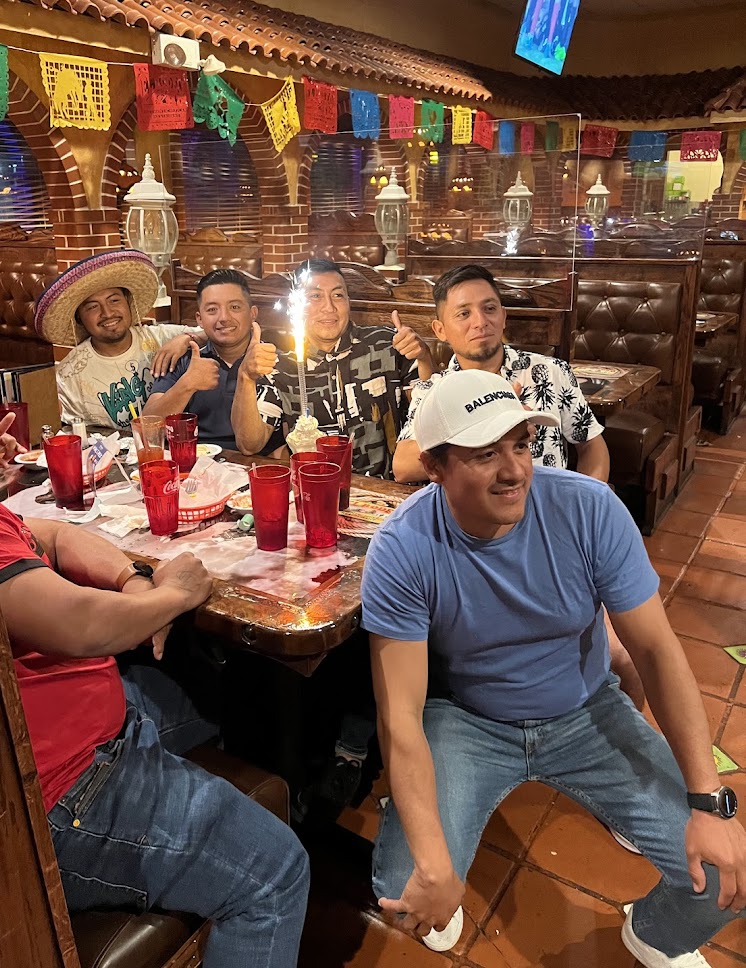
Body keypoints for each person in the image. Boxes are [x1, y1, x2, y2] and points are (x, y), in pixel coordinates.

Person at [362, 370, 746, 966]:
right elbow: (401, 714)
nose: (514, 470)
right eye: (485, 454)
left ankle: (652, 933)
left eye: (521, 444)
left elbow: (657, 652)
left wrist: (707, 800)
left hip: (586, 710)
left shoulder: (587, 508)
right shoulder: (402, 545)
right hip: (468, 718)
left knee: (725, 874)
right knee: (402, 886)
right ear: (435, 467)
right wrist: (433, 861)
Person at [0, 390, 309, 966]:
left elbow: (56, 536)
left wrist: (136, 584)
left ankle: (289, 796)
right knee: (276, 872)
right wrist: (173, 595)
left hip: (87, 725)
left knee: (220, 692)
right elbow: (83, 625)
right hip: (60, 791)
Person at [392, 262, 609, 484]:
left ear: (503, 317)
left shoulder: (551, 371)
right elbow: (403, 467)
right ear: (440, 330)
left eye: (489, 309)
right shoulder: (434, 390)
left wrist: (588, 497)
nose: (480, 322)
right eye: (464, 313)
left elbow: (591, 443)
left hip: (546, 502)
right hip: (471, 506)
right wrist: (491, 422)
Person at [232, 258, 434, 477]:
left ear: (348, 302)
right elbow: (249, 445)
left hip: (384, 485)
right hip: (314, 485)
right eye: (315, 296)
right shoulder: (280, 366)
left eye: (338, 295)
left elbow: (432, 412)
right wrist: (246, 377)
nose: (329, 307)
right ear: (294, 306)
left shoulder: (387, 345)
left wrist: (424, 356)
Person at [35, 250, 208, 431]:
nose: (107, 313)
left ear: (128, 302)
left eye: (114, 300)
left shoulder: (161, 338)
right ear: (79, 318)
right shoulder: (69, 377)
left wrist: (187, 338)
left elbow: (216, 333)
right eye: (93, 307)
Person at [144, 269, 281, 453]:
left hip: (256, 463)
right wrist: (187, 384)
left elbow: (254, 445)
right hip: (195, 462)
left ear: (252, 314)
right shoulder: (184, 359)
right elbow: (147, 429)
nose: (224, 318)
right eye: (212, 310)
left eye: (235, 307)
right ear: (199, 319)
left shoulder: (272, 360)